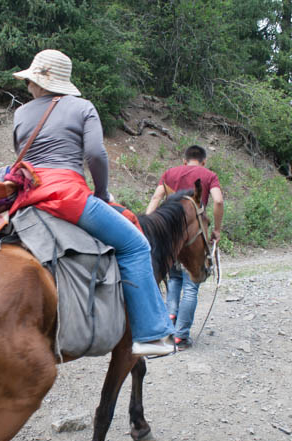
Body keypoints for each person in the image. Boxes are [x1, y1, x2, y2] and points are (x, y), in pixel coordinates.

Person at [10, 49, 174, 357]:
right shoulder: (82, 107)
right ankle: (152, 334)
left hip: (26, 199)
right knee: (136, 245)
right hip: (68, 197)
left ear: (39, 82)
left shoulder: (21, 113)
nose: (28, 86)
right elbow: (96, 154)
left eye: (30, 80)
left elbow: (25, 157)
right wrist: (100, 192)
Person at [146, 145, 224, 350]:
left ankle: (169, 323)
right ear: (204, 161)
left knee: (174, 280)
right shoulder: (209, 175)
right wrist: (216, 229)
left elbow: (156, 198)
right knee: (191, 286)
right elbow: (218, 200)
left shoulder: (170, 173)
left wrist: (147, 224)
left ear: (184, 160)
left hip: (171, 238)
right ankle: (180, 337)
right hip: (193, 237)